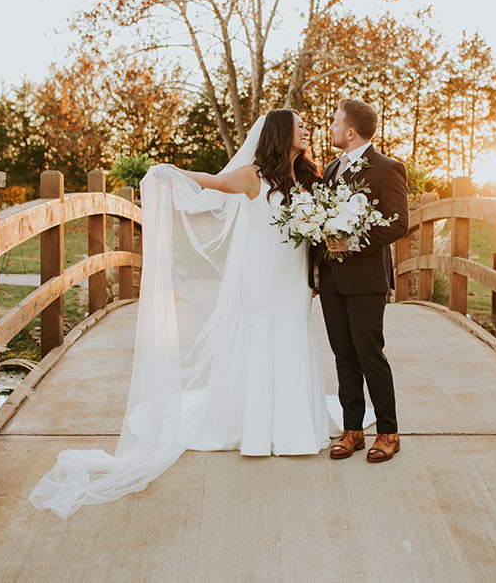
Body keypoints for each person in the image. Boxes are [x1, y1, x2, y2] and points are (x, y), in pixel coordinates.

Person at [29, 109, 332, 519]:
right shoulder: (252, 177)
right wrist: (169, 172)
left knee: (294, 338)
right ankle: (256, 430)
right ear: (282, 133)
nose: (307, 129)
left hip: (293, 278)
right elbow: (208, 183)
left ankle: (297, 427)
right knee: (261, 338)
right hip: (260, 277)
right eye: (300, 125)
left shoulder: (310, 179)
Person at [311, 98, 410, 463]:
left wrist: (352, 242)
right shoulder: (332, 168)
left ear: (350, 131)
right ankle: (352, 429)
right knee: (343, 355)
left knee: (370, 354)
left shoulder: (387, 168)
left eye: (336, 122)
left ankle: (388, 432)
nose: (332, 128)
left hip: (367, 278)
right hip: (333, 279)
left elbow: (400, 222)